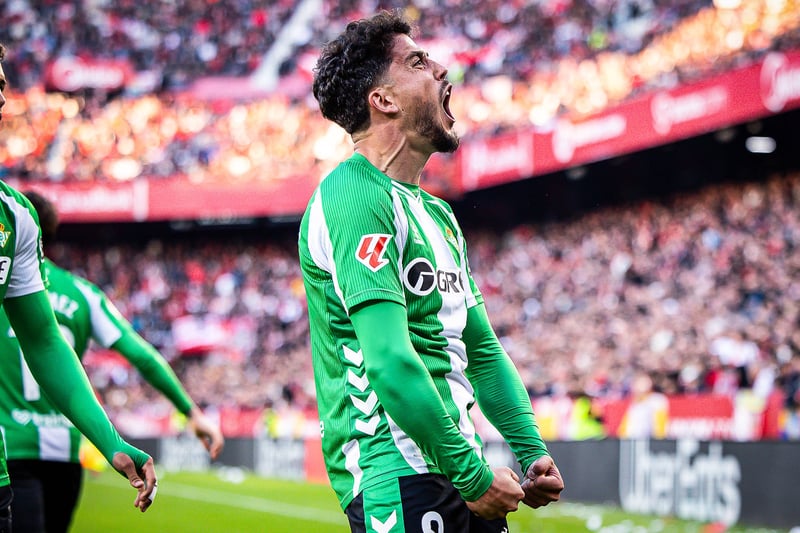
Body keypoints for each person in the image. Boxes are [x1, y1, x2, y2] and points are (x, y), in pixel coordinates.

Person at [298, 11, 564, 532]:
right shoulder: (353, 196)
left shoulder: (437, 213)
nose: (442, 69)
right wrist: (473, 477)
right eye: (418, 62)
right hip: (397, 473)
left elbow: (481, 350)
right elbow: (390, 362)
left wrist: (530, 449)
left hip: (458, 464)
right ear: (384, 100)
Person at [0, 191, 225, 533]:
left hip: (13, 444)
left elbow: (45, 344)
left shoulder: (13, 258)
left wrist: (113, 444)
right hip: (64, 449)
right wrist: (190, 411)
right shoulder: (82, 293)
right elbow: (142, 355)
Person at [0, 43, 156, 533]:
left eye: (2, 85)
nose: (1, 98)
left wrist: (110, 441)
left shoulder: (14, 217)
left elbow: (45, 342)